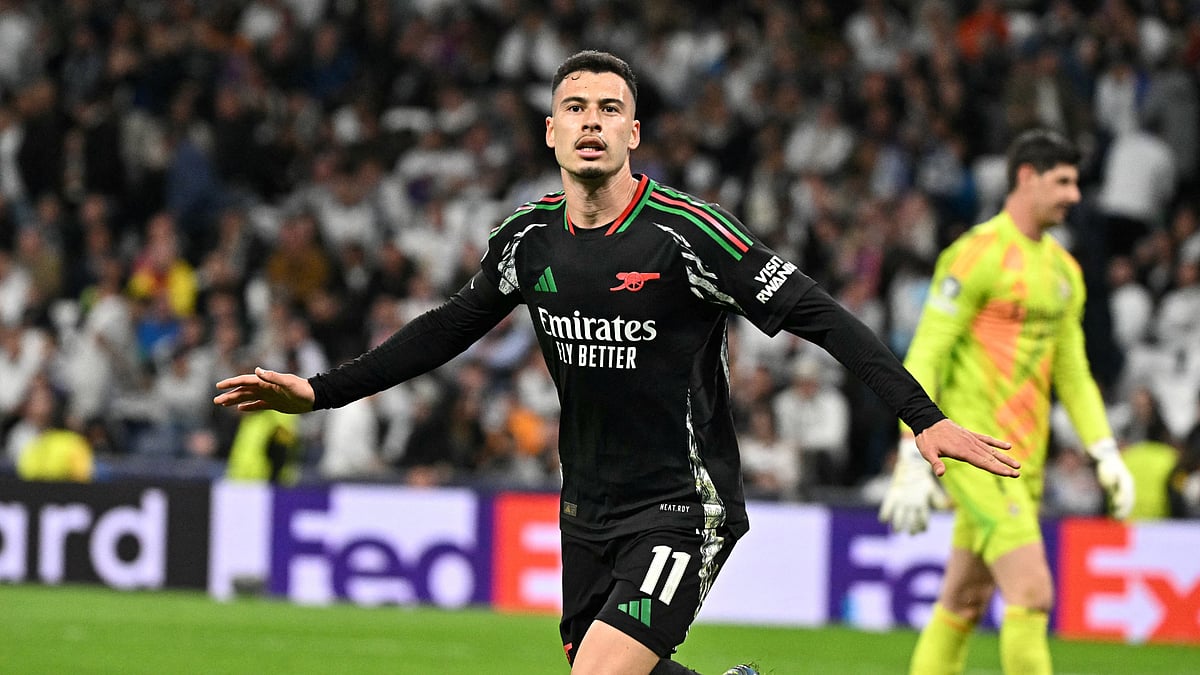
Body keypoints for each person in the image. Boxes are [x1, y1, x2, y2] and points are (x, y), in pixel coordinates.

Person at [215, 51, 1018, 675]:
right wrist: (319, 391)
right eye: (575, 108)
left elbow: (821, 315)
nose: (591, 121)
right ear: (551, 132)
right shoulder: (527, 238)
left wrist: (924, 417)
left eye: (610, 109)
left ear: (634, 133)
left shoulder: (689, 234)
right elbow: (448, 327)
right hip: (585, 505)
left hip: (683, 501)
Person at [878, 128, 1136, 675]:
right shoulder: (975, 255)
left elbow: (1074, 373)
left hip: (1026, 461)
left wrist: (1104, 450)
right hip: (974, 451)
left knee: (963, 601)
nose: (1074, 196)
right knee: (1033, 592)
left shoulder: (1064, 272)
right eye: (1063, 182)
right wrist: (911, 451)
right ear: (1027, 177)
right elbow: (926, 354)